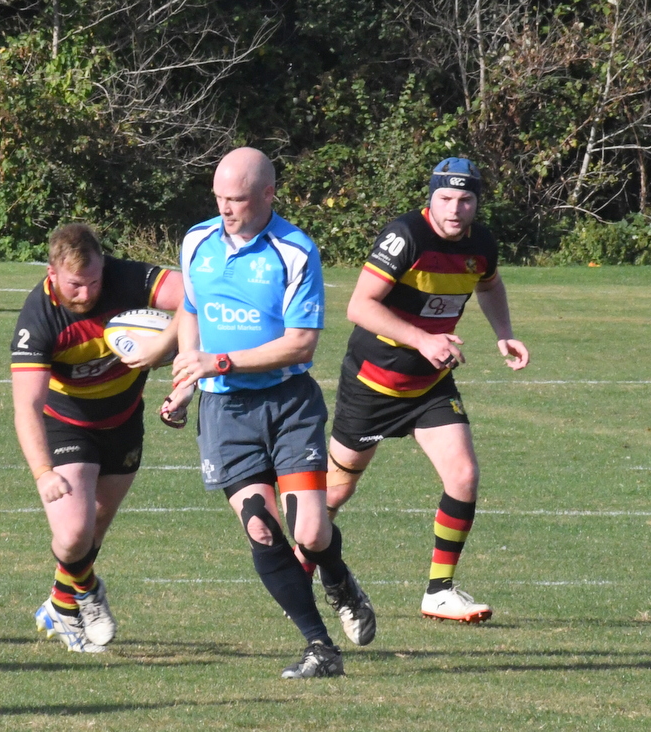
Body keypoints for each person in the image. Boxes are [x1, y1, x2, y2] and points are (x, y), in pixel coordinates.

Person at [164, 147, 375, 679]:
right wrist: (188, 381)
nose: (225, 208)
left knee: (311, 532)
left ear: (267, 195)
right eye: (218, 197)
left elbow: (301, 343)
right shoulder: (196, 241)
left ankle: (338, 578)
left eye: (236, 199)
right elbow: (191, 311)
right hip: (224, 410)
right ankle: (320, 647)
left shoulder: (295, 251)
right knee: (260, 527)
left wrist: (221, 360)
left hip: (287, 404)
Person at [326, 157, 529, 623]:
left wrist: (504, 332)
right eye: (446, 198)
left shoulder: (482, 243)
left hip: (431, 383)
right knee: (335, 495)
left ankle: (439, 592)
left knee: (463, 475)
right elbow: (359, 306)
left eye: (465, 199)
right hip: (374, 383)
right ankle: (297, 569)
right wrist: (422, 339)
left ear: (477, 202)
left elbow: (489, 285)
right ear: (431, 198)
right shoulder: (406, 237)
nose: (455, 209)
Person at [11, 223, 183, 653]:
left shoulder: (126, 278)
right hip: (66, 424)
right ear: (52, 273)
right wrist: (43, 472)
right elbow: (26, 406)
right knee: (74, 534)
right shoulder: (39, 318)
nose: (86, 293)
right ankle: (86, 595)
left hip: (124, 419)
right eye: (75, 285)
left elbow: (196, 297)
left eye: (93, 281)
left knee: (97, 524)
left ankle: (60, 604)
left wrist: (167, 349)